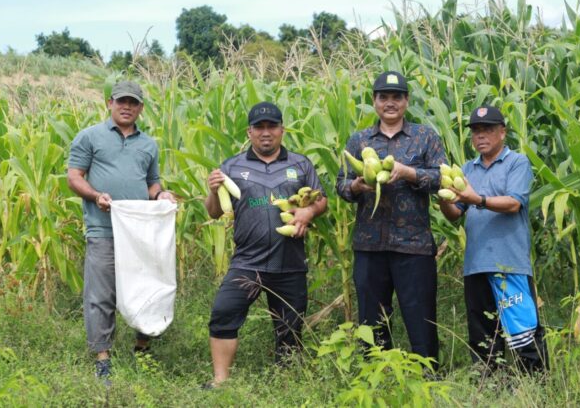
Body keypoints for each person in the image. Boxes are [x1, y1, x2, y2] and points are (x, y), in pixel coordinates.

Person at [204, 101, 327, 387]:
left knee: (290, 328)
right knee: (223, 314)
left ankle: (286, 383)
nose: (266, 132)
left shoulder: (300, 164)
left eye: (272, 126)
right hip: (247, 261)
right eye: (259, 127)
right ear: (249, 132)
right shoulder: (232, 166)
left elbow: (320, 199)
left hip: (290, 262)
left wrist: (309, 212)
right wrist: (211, 191)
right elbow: (214, 211)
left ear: (282, 130)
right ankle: (220, 381)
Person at [336, 70, 446, 369]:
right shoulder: (359, 140)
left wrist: (409, 172)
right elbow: (341, 185)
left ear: (406, 101)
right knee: (372, 318)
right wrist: (357, 186)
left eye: (396, 97)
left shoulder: (425, 136)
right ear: (374, 101)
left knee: (419, 314)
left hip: (414, 245)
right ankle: (377, 373)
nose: (390, 103)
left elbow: (442, 180)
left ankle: (427, 374)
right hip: (369, 245)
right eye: (383, 97)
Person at [67, 81, 176, 381]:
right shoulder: (90, 137)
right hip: (103, 228)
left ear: (141, 108)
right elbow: (74, 177)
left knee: (146, 287)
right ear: (109, 103)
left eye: (133, 102)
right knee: (101, 293)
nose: (127, 106)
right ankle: (103, 358)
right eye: (121, 101)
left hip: (140, 230)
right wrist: (95, 195)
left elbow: (152, 182)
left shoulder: (148, 144)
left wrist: (160, 195)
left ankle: (142, 347)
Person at [439, 105, 547, 374]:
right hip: (476, 264)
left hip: (509, 264)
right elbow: (455, 214)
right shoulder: (466, 169)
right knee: (483, 336)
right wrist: (443, 199)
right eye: (476, 131)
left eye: (487, 129)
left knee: (523, 331)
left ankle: (537, 386)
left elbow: (514, 203)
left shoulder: (517, 162)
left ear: (503, 132)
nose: (481, 136)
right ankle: (490, 388)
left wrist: (477, 199)